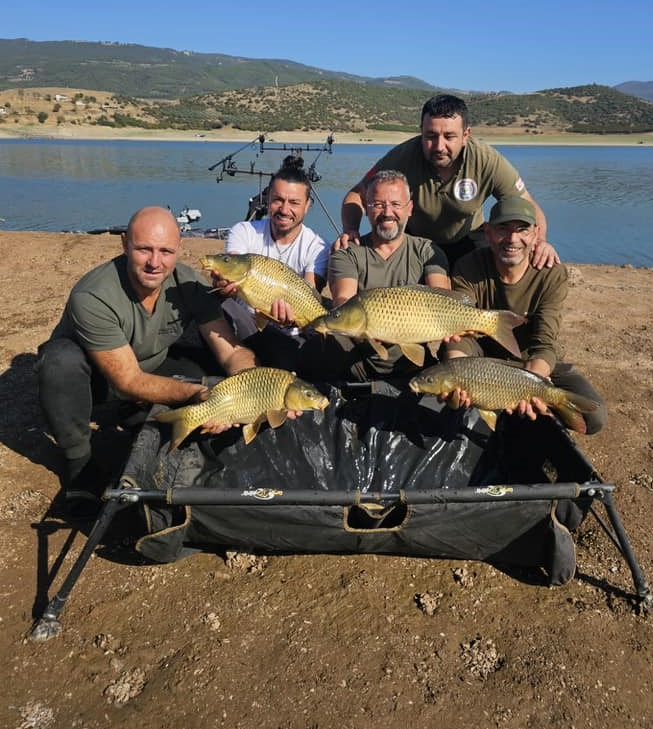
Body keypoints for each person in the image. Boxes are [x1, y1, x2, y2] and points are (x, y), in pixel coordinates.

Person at [36, 206, 257, 496]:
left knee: (210, 370)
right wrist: (200, 396)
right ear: (125, 243)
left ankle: (137, 415)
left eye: (165, 251)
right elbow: (127, 380)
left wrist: (250, 386)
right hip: (97, 378)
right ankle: (79, 461)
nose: (155, 262)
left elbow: (230, 351)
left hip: (150, 365)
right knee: (58, 362)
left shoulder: (189, 284)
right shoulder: (92, 295)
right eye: (144, 249)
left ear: (179, 248)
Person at [338, 93, 560, 269]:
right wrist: (350, 229)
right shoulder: (402, 157)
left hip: (469, 239)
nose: (439, 146)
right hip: (417, 241)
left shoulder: (487, 160)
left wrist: (541, 242)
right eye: (431, 136)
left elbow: (526, 204)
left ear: (466, 135)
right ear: (421, 132)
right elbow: (357, 194)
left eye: (449, 137)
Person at [445, 195, 606, 434]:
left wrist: (532, 386)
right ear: (487, 232)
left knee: (594, 417)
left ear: (535, 234)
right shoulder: (467, 266)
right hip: (483, 361)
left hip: (531, 362)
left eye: (522, 230)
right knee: (449, 388)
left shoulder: (551, 274)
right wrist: (455, 375)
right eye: (503, 229)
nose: (512, 239)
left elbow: (545, 343)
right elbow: (460, 333)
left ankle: (531, 418)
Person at [306, 169, 450, 380]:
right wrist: (375, 326)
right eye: (378, 204)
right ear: (366, 209)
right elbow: (343, 301)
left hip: (412, 366)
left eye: (395, 204)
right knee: (321, 344)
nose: (387, 212)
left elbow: (443, 298)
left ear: (410, 208)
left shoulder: (427, 250)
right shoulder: (348, 251)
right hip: (358, 362)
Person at [219, 164, 330, 366]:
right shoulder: (244, 231)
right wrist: (223, 282)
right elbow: (232, 264)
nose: (284, 209)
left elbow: (310, 292)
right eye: (278, 200)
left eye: (294, 202)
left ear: (307, 205)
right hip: (246, 327)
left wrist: (293, 318)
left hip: (292, 334)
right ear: (267, 199)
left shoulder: (318, 246)